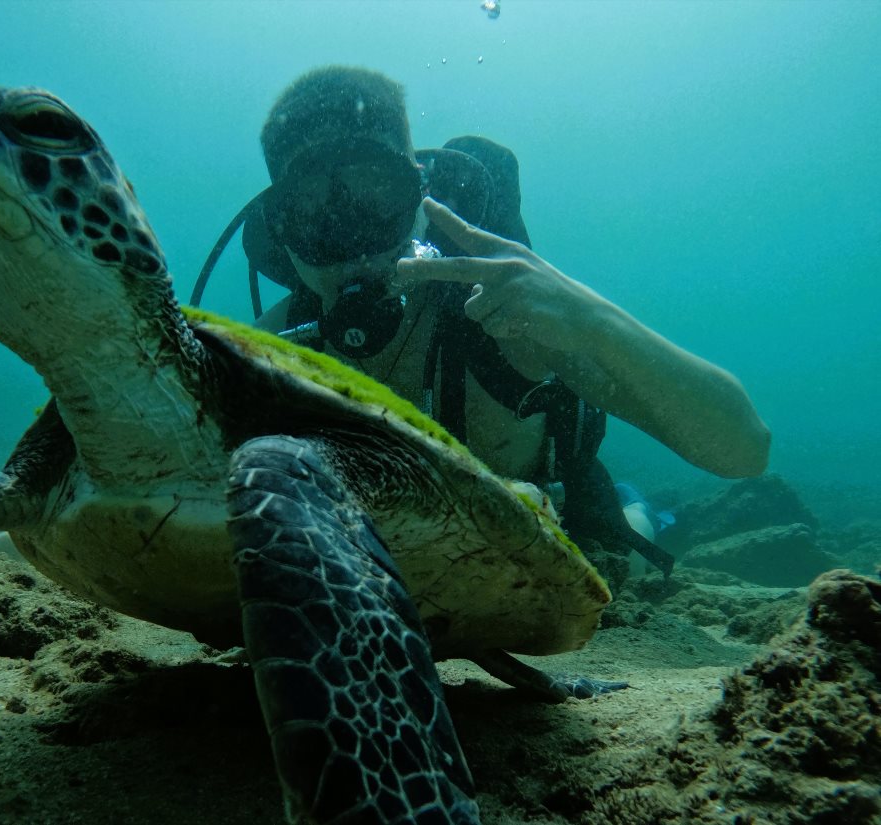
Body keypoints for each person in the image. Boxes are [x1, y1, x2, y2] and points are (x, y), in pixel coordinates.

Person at [196, 65, 770, 574]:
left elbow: (744, 450)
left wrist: (591, 321)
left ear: (419, 197)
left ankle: (633, 504)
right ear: (281, 231)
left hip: (549, 529)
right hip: (381, 560)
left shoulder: (503, 315)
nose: (350, 236)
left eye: (376, 192)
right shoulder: (272, 347)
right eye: (314, 207)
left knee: (624, 554)